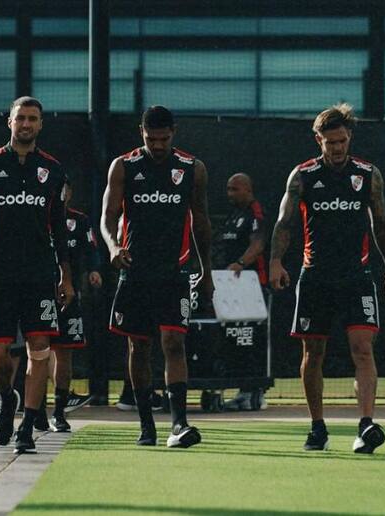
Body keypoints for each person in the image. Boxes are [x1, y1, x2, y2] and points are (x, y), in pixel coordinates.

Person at [269, 103, 385, 453]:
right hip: (315, 277)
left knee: (363, 349)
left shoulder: (368, 174)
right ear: (318, 141)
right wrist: (276, 262)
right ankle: (317, 427)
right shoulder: (303, 176)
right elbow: (285, 223)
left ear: (350, 138)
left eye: (342, 141)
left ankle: (366, 425)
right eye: (330, 143)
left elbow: (382, 225)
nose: (338, 148)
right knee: (313, 352)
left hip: (357, 277)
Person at [100, 105, 214, 448]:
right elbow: (107, 217)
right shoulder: (124, 167)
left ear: (173, 133)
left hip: (174, 271)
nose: (158, 145)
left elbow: (201, 220)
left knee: (174, 342)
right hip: (135, 271)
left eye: (164, 139)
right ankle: (146, 424)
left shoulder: (192, 168)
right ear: (141, 133)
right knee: (138, 345)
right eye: (152, 139)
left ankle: (179, 422)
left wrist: (205, 269)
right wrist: (112, 247)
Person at [0, 96, 74, 454]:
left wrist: (65, 274)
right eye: (20, 118)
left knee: (39, 349)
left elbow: (60, 227)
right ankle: (5, 397)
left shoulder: (53, 170)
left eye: (33, 119)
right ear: (9, 122)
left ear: (41, 124)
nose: (26, 124)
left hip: (39, 274)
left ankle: (27, 425)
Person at [47, 180, 103, 432]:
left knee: (64, 351)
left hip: (69, 295)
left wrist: (93, 270)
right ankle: (33, 409)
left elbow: (91, 249)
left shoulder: (79, 220)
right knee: (35, 350)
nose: (60, 193)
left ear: (70, 193)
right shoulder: (38, 216)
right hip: (37, 293)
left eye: (65, 190)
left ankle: (59, 410)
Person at [212, 172, 269, 410]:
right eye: (228, 189)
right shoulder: (233, 215)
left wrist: (241, 263)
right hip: (230, 286)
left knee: (251, 337)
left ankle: (254, 390)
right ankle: (240, 387)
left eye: (234, 189)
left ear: (247, 189)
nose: (230, 194)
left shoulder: (255, 212)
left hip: (252, 285)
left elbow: (258, 243)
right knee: (232, 338)